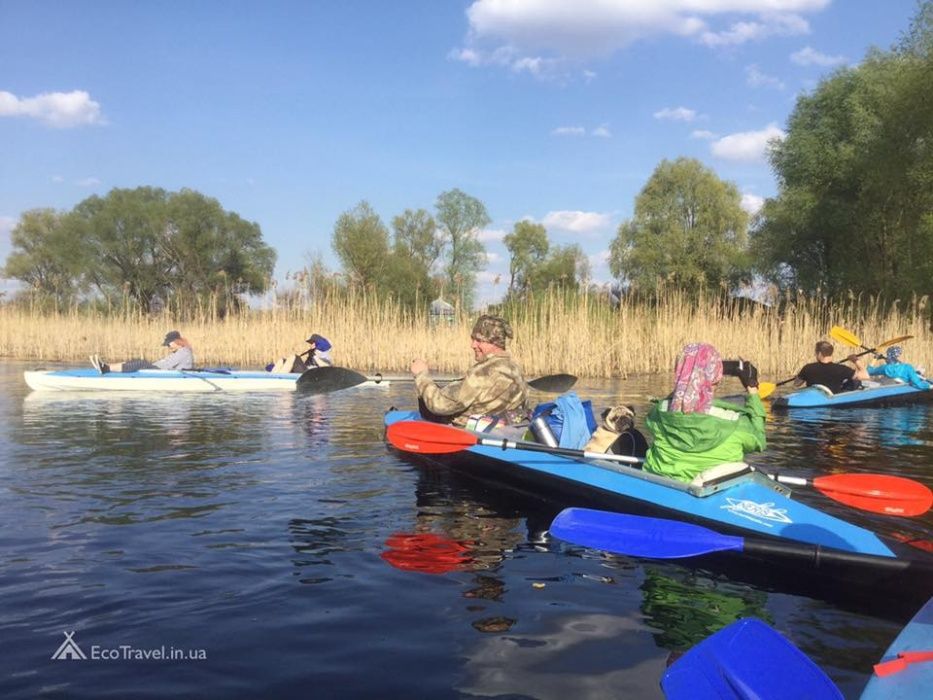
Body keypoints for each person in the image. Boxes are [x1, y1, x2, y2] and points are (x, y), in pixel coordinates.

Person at [642, 343, 766, 483]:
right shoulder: (734, 421)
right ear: (717, 378)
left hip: (661, 485)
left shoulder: (658, 413)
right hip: (710, 491)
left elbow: (674, 401)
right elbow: (759, 440)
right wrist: (752, 388)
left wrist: (688, 377)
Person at [410, 314, 528, 427]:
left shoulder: (483, 372)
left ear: (495, 342)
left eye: (479, 340)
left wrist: (421, 375)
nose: (473, 345)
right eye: (473, 339)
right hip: (500, 430)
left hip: (465, 433)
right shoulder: (516, 370)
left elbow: (439, 405)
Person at [90, 330, 194, 374]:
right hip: (167, 371)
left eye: (168, 344)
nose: (167, 346)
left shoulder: (184, 352)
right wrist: (150, 365)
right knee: (138, 361)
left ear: (176, 342)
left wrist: (149, 366)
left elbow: (166, 365)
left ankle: (106, 368)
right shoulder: (179, 351)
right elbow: (165, 364)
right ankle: (106, 366)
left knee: (141, 363)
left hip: (176, 375)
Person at [794, 340, 869, 394]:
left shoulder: (808, 368)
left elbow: (796, 384)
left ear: (819, 353)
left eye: (815, 353)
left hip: (813, 399)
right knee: (855, 382)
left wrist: (797, 376)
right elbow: (865, 376)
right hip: (833, 400)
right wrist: (855, 360)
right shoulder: (841, 369)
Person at [267, 332, 333, 373]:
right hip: (304, 372)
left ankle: (279, 378)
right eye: (310, 343)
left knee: (294, 357)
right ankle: (272, 377)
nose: (310, 345)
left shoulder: (324, 356)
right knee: (282, 360)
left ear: (318, 344)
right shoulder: (311, 353)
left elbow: (327, 368)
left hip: (308, 375)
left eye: (313, 343)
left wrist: (314, 356)